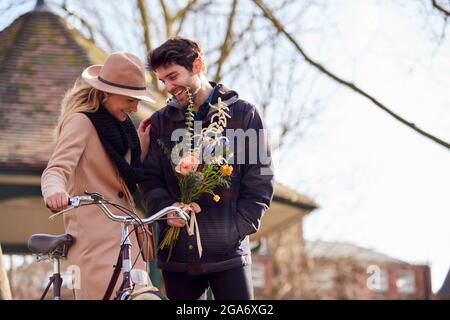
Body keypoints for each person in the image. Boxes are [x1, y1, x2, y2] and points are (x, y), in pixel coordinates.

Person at [141, 37, 274, 300]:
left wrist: (238, 228)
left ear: (198, 65)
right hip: (175, 256)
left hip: (229, 255)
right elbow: (149, 180)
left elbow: (261, 178)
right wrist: (167, 210)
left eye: (173, 76)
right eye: (162, 81)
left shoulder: (243, 114)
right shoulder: (159, 123)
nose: (168, 87)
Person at [41, 52, 154, 299]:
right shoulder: (81, 122)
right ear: (107, 92)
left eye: (137, 100)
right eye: (130, 99)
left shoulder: (123, 131)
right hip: (95, 241)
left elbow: (122, 176)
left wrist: (142, 149)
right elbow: (56, 169)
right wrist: (55, 192)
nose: (135, 108)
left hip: (126, 237)